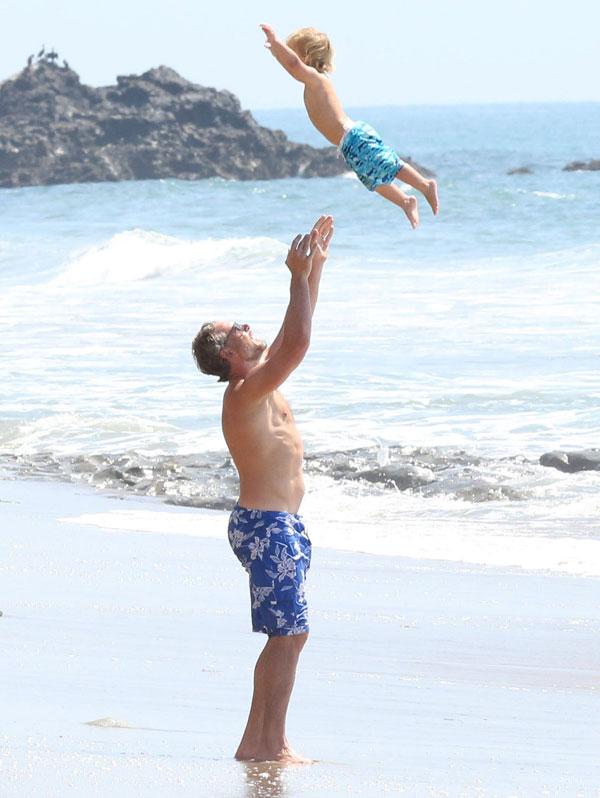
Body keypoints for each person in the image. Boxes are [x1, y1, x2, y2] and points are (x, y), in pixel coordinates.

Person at [192, 215, 334, 764]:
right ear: (228, 354)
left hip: (282, 525)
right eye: (238, 329)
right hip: (266, 527)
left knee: (291, 634)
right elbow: (298, 341)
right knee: (286, 635)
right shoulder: (245, 390)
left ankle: (266, 741)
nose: (248, 327)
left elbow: (298, 328)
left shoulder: (261, 376)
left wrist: (314, 267)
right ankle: (262, 744)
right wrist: (295, 276)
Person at [260, 23, 439, 230]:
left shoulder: (316, 80)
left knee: (387, 163)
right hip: (347, 145)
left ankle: (425, 185)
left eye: (292, 52)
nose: (287, 57)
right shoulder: (312, 83)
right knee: (372, 179)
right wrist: (276, 52)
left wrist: (275, 43)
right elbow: (291, 62)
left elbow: (292, 65)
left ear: (307, 57)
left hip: (354, 136)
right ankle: (405, 201)